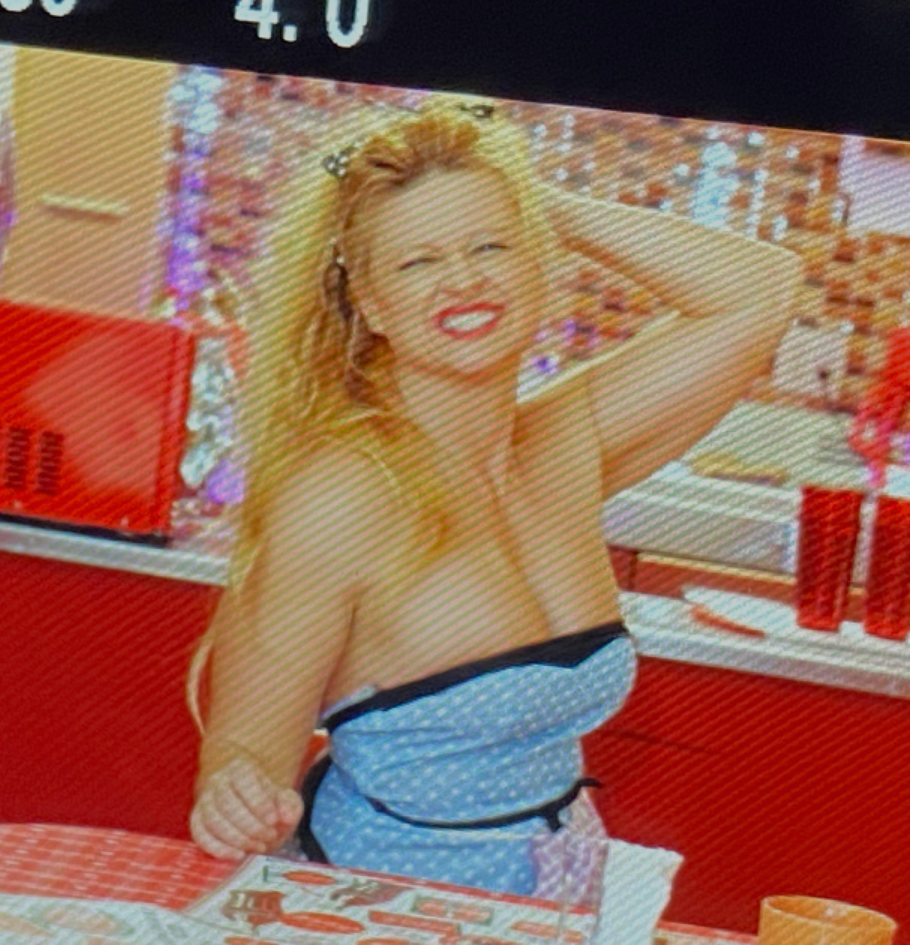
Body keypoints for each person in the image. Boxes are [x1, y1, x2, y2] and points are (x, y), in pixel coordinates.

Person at [186, 97, 800, 901]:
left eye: (491, 246)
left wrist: (540, 207)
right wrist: (234, 794)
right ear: (369, 303)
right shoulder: (341, 496)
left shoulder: (565, 442)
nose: (464, 280)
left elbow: (763, 289)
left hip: (553, 906)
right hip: (381, 915)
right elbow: (245, 754)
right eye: (418, 261)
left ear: (538, 262)